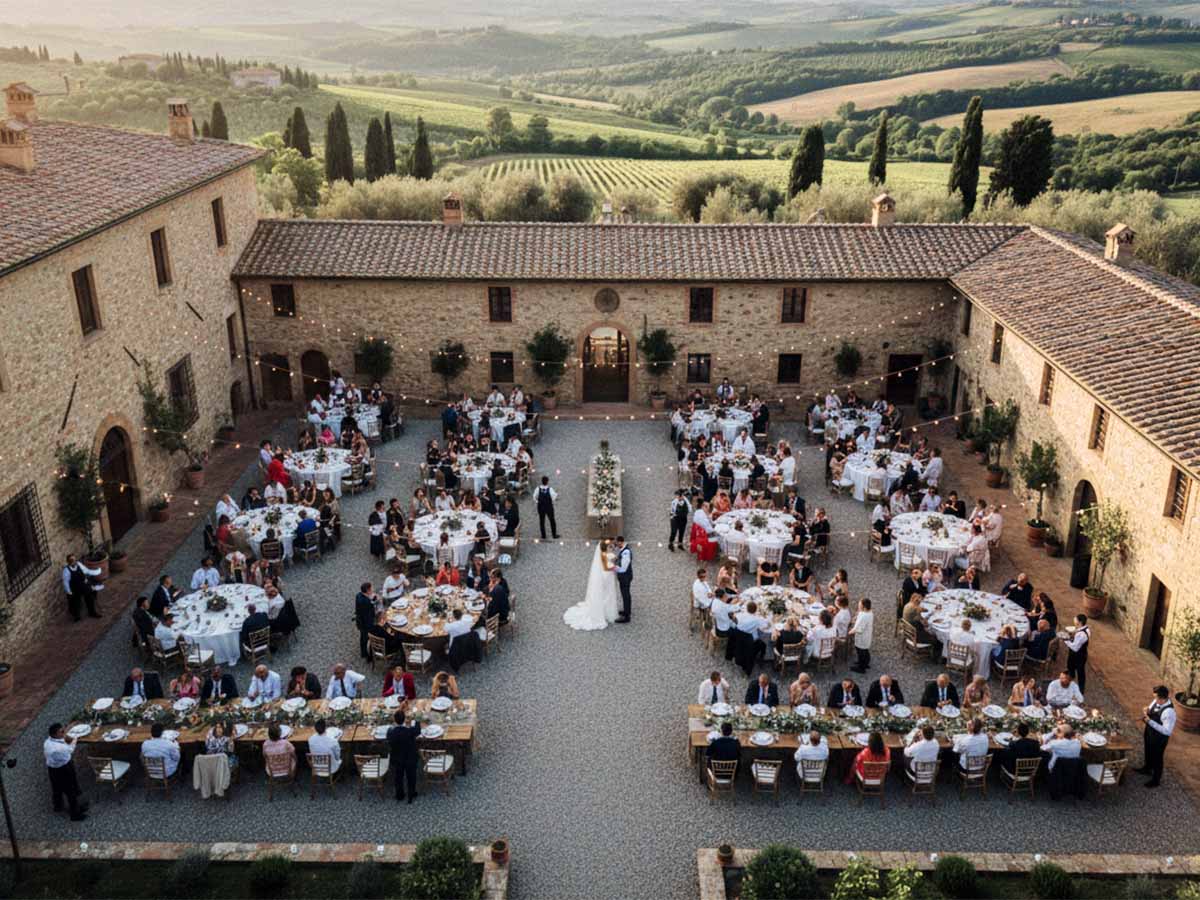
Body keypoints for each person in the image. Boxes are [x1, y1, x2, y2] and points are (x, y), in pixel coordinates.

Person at [44, 724, 88, 820]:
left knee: (56, 788)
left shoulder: (48, 741)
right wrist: (75, 739)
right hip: (63, 769)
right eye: (62, 732)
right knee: (70, 790)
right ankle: (75, 814)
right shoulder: (59, 749)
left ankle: (58, 806)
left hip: (52, 769)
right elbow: (70, 750)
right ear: (55, 734)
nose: (64, 733)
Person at [1137, 685, 1176, 788]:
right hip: (1150, 732)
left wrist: (1150, 722)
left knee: (1157, 758)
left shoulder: (1169, 713)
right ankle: (1147, 769)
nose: (1154, 699)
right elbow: (1151, 709)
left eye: (1156, 697)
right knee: (1148, 750)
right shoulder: (1157, 701)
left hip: (1159, 738)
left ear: (1162, 698)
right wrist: (1147, 710)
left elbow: (1167, 731)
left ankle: (1156, 780)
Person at [387, 709, 422, 803]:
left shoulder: (391, 732)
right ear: (404, 719)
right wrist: (416, 720)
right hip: (410, 757)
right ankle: (411, 793)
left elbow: (389, 739)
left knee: (398, 777)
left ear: (395, 720)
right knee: (411, 776)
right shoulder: (409, 731)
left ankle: (400, 795)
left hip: (397, 758)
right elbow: (418, 730)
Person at [62, 554, 101, 621]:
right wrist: (69, 591)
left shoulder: (79, 565)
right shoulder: (66, 570)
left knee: (90, 598)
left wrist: (97, 572)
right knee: (76, 603)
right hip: (75, 588)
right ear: (68, 562)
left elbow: (87, 571)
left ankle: (92, 612)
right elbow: (66, 582)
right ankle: (77, 616)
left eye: (74, 560)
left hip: (83, 585)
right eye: (71, 560)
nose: (73, 562)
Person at [1065, 614, 1090, 693]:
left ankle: (1081, 689)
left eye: (1075, 620)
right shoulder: (1086, 629)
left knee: (1080, 671)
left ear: (1080, 622)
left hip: (1078, 655)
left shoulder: (1082, 634)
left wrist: (1066, 640)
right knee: (1071, 667)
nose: (1074, 622)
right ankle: (1070, 681)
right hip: (1081, 653)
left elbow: (1075, 647)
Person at [849, 597, 874, 674]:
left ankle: (861, 667)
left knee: (861, 652)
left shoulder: (865, 616)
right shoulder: (869, 612)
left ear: (864, 607)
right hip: (866, 635)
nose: (858, 607)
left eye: (860, 605)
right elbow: (859, 615)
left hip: (862, 637)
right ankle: (865, 663)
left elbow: (859, 629)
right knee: (865, 650)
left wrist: (850, 632)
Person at [614, 536, 633, 623]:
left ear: (621, 542)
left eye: (617, 543)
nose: (616, 545)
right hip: (623, 577)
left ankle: (626, 616)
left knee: (626, 595)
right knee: (624, 594)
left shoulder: (626, 552)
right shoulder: (622, 550)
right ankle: (626, 610)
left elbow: (623, 568)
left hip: (625, 577)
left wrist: (613, 568)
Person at [355, 582, 377, 660]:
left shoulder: (358, 595)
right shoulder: (366, 602)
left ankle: (363, 652)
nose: (372, 589)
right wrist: (373, 599)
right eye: (371, 588)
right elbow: (371, 608)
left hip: (360, 621)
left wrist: (372, 598)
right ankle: (368, 655)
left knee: (363, 638)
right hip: (366, 624)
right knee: (368, 638)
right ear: (368, 590)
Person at [534, 475, 559, 540]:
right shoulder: (550, 489)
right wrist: (555, 497)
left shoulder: (538, 489)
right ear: (547, 481)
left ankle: (543, 535)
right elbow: (554, 497)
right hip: (548, 507)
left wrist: (537, 502)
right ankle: (554, 535)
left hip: (541, 507)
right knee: (552, 520)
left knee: (542, 521)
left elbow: (534, 496)